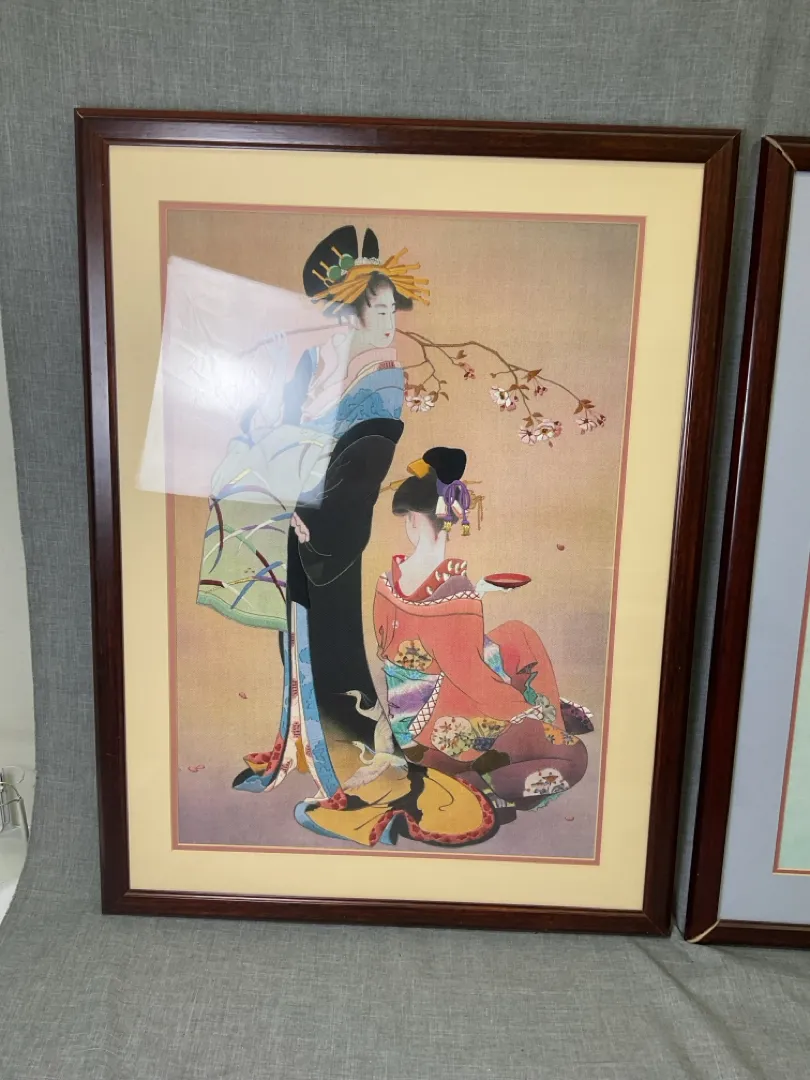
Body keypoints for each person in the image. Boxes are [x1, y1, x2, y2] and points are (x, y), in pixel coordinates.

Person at [207, 227, 497, 848]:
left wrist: (320, 521)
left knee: (329, 644)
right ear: (349, 313)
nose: (392, 323)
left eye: (394, 311)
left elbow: (364, 462)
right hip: (296, 514)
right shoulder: (316, 362)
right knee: (293, 639)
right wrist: (265, 447)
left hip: (329, 528)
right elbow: (280, 425)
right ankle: (302, 745)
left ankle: (353, 764)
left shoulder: (383, 377)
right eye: (381, 311)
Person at [373, 447, 590, 811]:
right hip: (439, 730)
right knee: (574, 757)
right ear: (453, 519)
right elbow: (470, 674)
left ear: (412, 520)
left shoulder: (387, 582)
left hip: (405, 717)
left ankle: (492, 764)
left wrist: (478, 593)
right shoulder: (456, 592)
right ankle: (472, 783)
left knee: (516, 634)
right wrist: (524, 711)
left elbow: (417, 638)